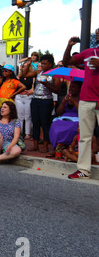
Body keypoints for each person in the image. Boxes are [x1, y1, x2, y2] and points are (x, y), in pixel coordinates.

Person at [63, 32, 99, 179]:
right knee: (84, 136)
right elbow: (67, 61)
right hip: (86, 99)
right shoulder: (89, 52)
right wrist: (69, 46)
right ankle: (83, 170)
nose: (97, 36)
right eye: (97, 34)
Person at [28, 54, 61, 153]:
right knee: (35, 122)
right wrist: (28, 64)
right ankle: (35, 145)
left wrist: (46, 84)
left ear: (50, 64)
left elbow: (58, 90)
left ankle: (46, 146)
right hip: (35, 99)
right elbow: (24, 75)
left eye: (45, 64)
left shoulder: (54, 75)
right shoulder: (38, 72)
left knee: (45, 123)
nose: (42, 65)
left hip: (46, 100)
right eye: (41, 63)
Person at [48, 81, 82, 157]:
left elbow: (81, 112)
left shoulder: (82, 98)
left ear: (79, 89)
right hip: (64, 117)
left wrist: (74, 101)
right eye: (70, 87)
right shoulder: (66, 98)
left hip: (76, 118)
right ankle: (56, 148)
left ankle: (67, 147)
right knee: (55, 125)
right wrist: (63, 102)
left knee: (70, 128)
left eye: (73, 87)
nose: (71, 89)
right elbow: (58, 113)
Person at [15, 65, 35, 140]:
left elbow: (33, 87)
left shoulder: (32, 77)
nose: (24, 68)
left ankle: (27, 133)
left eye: (26, 66)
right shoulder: (18, 77)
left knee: (28, 116)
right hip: (19, 97)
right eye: (23, 66)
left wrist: (31, 90)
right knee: (20, 116)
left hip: (28, 97)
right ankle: (20, 133)